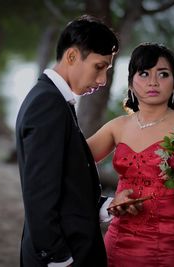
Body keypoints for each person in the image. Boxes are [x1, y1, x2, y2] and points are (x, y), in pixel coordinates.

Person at [15, 15, 137, 267]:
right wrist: (58, 258)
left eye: (107, 70)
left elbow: (65, 182)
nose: (102, 80)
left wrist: (105, 206)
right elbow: (39, 194)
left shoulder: (54, 100)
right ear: (71, 57)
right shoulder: (47, 104)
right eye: (98, 67)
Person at [87, 42, 174, 266]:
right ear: (131, 82)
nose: (153, 81)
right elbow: (72, 162)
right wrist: (103, 202)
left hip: (167, 242)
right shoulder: (117, 126)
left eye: (163, 74)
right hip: (118, 237)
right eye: (144, 73)